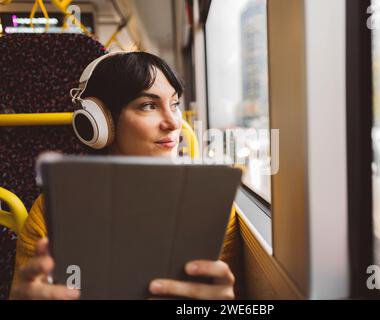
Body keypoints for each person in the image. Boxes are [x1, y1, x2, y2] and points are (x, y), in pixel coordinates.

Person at [10, 52, 242, 300]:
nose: (174, 122)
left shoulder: (214, 208)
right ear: (100, 122)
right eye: (148, 105)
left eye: (174, 104)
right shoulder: (52, 210)